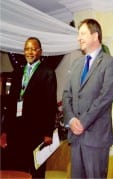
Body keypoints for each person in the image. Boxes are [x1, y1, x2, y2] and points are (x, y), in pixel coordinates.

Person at [62, 18, 113, 178]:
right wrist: (72, 120)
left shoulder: (109, 63)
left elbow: (106, 97)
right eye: (78, 34)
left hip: (96, 138)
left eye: (83, 34)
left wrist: (83, 122)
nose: (78, 38)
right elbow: (67, 94)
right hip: (76, 136)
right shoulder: (75, 64)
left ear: (95, 36)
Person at [0, 37, 57, 178]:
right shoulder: (18, 72)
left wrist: (48, 132)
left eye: (33, 48)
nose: (29, 52)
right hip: (16, 132)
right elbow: (11, 103)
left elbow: (50, 103)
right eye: (27, 49)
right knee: (18, 170)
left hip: (36, 132)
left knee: (36, 171)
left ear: (40, 52)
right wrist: (5, 130)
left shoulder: (47, 72)